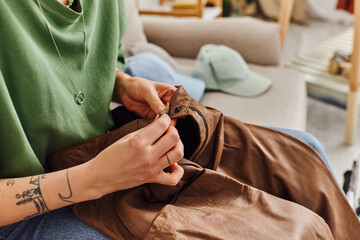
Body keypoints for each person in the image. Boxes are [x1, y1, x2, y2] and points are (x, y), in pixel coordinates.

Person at [0, 0, 358, 239]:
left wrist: (121, 85)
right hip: (26, 208)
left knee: (305, 153)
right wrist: (94, 178)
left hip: (108, 153)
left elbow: (66, 66)